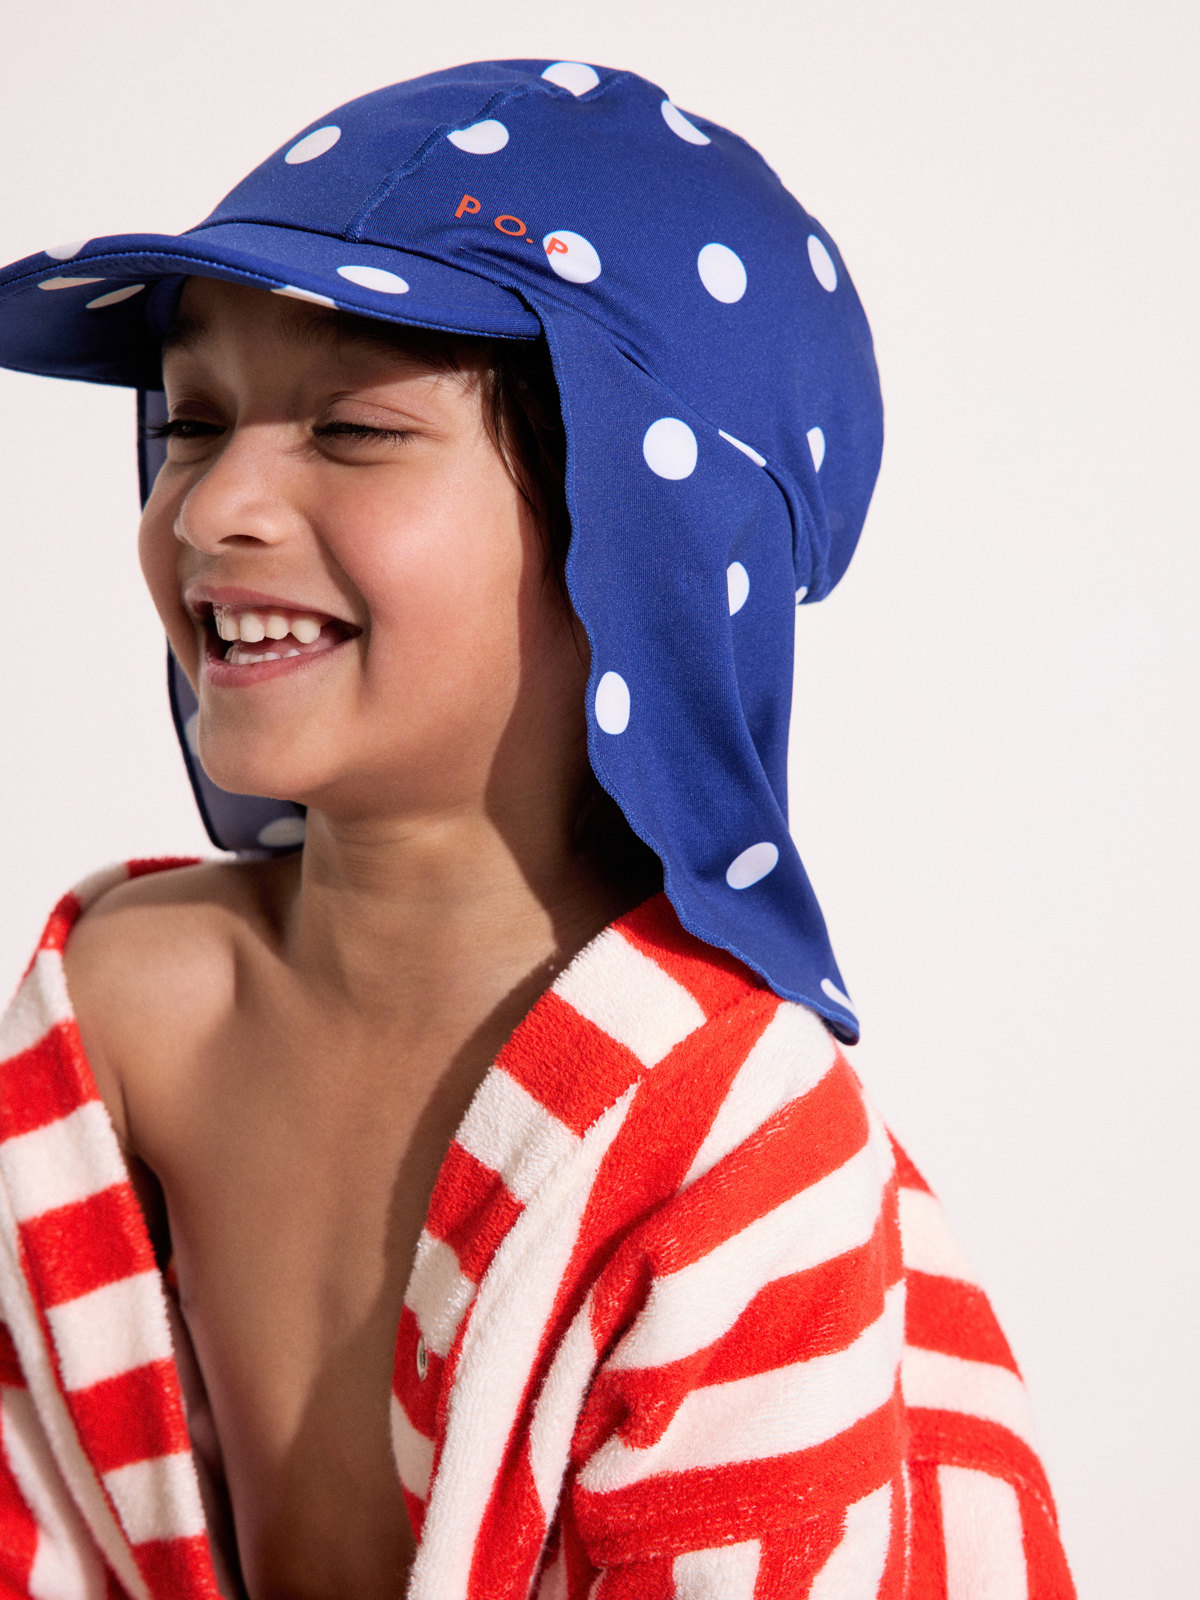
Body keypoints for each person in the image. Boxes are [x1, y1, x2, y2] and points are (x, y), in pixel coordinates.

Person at [0, 59, 1076, 1600]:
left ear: (640, 538)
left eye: (352, 429)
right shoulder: (104, 1013)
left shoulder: (729, 1140)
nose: (218, 505)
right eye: (195, 421)